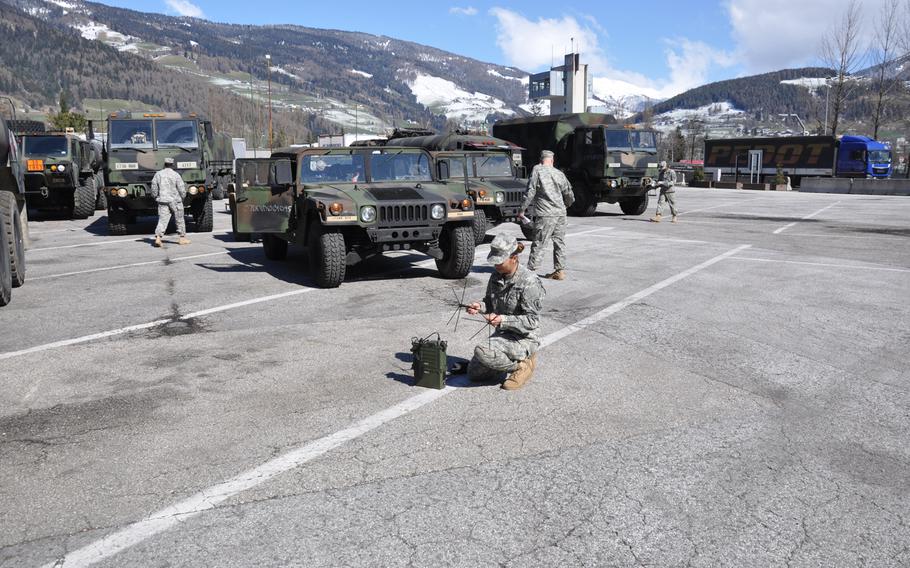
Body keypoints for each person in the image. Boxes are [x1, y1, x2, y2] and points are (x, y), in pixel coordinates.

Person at [465, 233, 546, 390]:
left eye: (500, 261)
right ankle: (502, 364)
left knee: (482, 351)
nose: (496, 265)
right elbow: (490, 301)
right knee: (473, 374)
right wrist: (479, 306)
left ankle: (522, 365)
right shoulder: (496, 276)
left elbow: (532, 321)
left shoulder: (529, 282)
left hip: (524, 338)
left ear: (513, 258)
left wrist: (502, 320)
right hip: (504, 335)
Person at [519, 149, 574, 280]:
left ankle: (530, 272)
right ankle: (559, 271)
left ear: (540, 159)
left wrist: (522, 209)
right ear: (552, 160)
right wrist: (566, 205)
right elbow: (569, 193)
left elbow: (530, 191)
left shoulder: (537, 169)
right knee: (559, 242)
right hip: (560, 213)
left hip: (546, 213)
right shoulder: (559, 173)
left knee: (539, 242)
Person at [151, 157, 190, 247]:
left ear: (164, 164)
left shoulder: (158, 174)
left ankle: (158, 238)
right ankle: (182, 238)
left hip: (163, 200)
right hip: (175, 200)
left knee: (162, 220)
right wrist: (183, 197)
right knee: (179, 219)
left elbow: (154, 187)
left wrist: (155, 196)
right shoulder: (176, 174)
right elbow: (181, 188)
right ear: (172, 165)